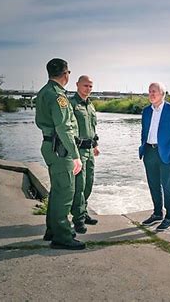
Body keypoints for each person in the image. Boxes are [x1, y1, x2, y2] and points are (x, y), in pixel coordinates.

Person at [35, 58, 85, 250]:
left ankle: (52, 229)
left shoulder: (43, 92)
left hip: (50, 146)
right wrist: (75, 155)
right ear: (66, 74)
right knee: (65, 192)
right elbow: (64, 128)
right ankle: (62, 237)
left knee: (57, 190)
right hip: (60, 148)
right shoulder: (58, 96)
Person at [139, 82, 170, 231]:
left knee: (168, 186)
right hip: (149, 152)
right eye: (149, 92)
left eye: (154, 92)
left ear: (162, 94)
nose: (151, 94)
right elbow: (144, 131)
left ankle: (169, 216)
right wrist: (143, 147)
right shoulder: (146, 111)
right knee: (153, 184)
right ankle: (157, 213)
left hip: (166, 153)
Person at [70, 75, 100, 233]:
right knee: (79, 185)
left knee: (89, 183)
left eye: (90, 86)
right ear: (77, 85)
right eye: (85, 85)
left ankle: (84, 211)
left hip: (89, 150)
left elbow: (92, 128)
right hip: (78, 151)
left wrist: (95, 145)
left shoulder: (90, 105)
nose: (88, 89)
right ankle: (78, 219)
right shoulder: (71, 104)